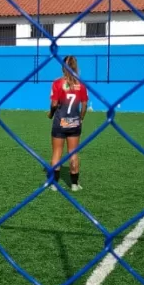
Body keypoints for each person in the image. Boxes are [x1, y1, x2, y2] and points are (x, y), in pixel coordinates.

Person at [47, 56, 88, 192]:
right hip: (75, 123)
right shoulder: (81, 84)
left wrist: (51, 114)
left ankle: (54, 184)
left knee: (57, 153)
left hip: (60, 122)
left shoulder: (57, 83)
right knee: (73, 153)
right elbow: (84, 104)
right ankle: (75, 184)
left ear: (62, 67)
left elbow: (54, 103)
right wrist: (80, 118)